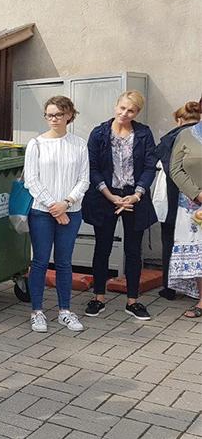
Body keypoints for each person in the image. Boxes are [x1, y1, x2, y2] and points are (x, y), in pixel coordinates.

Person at [82, 90, 158, 321]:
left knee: (133, 250)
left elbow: (149, 166)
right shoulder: (99, 133)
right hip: (106, 196)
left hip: (134, 197)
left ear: (137, 113)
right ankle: (99, 297)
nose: (125, 113)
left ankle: (132, 301)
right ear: (116, 106)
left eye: (131, 110)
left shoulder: (143, 133)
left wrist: (136, 195)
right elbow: (92, 167)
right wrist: (108, 194)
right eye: (122, 108)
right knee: (102, 247)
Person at [23, 96, 89, 332]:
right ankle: (37, 311)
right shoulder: (36, 144)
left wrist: (66, 203)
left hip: (71, 212)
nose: (54, 119)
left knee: (64, 262)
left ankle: (64, 311)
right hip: (42, 212)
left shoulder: (79, 144)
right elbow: (31, 179)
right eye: (49, 114)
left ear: (69, 115)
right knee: (40, 261)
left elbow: (84, 180)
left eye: (59, 114)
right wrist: (54, 206)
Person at [155, 101, 201, 300]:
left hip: (174, 200)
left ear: (179, 119)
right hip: (189, 200)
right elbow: (175, 169)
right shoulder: (185, 136)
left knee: (170, 243)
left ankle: (169, 288)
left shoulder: (168, 138)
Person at [167, 99, 202, 317]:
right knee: (199, 256)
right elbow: (175, 169)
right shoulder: (186, 135)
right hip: (192, 206)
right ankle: (201, 301)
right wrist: (197, 193)